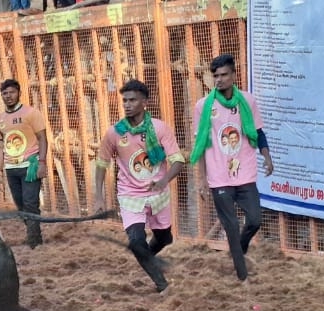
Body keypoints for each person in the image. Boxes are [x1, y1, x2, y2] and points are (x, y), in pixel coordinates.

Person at [93, 79, 185, 293]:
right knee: (136, 241)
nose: (127, 104)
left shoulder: (160, 128)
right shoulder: (114, 133)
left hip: (158, 194)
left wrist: (163, 181)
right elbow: (101, 164)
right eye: (124, 100)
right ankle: (162, 285)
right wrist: (98, 197)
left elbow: (178, 160)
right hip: (129, 196)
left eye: (132, 100)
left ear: (145, 102)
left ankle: (146, 257)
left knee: (165, 238)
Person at [190, 54, 273, 283]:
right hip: (219, 177)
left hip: (245, 173)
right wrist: (202, 179)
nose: (219, 79)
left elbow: (259, 133)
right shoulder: (203, 107)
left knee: (255, 220)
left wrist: (267, 157)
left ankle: (240, 249)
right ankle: (243, 278)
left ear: (234, 75)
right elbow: (201, 144)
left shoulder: (247, 101)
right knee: (232, 227)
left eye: (224, 74)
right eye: (215, 75)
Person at [0, 78, 48, 247]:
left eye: (11, 92)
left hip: (29, 165)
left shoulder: (31, 113)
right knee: (21, 206)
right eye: (5, 93)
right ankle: (36, 236)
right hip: (11, 168)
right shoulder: (0, 119)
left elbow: (42, 138)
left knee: (31, 204)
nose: (8, 96)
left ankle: (34, 242)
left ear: (19, 93)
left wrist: (42, 162)